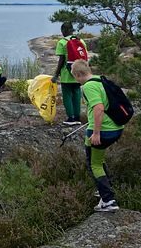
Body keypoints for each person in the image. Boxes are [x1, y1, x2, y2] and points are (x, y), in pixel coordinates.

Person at [71, 59, 123, 212]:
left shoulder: (88, 86)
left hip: (103, 130)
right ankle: (105, 187)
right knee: (96, 158)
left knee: (94, 164)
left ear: (78, 75)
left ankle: (108, 200)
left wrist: (96, 133)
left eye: (74, 76)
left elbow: (99, 108)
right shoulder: (100, 80)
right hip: (116, 127)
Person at [52, 22, 87, 125]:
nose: (61, 32)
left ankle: (70, 118)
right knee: (77, 94)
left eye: (62, 30)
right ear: (72, 30)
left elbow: (61, 60)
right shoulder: (81, 41)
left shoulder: (62, 42)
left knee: (67, 95)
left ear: (64, 30)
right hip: (79, 74)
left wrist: (56, 75)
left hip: (67, 74)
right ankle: (77, 118)